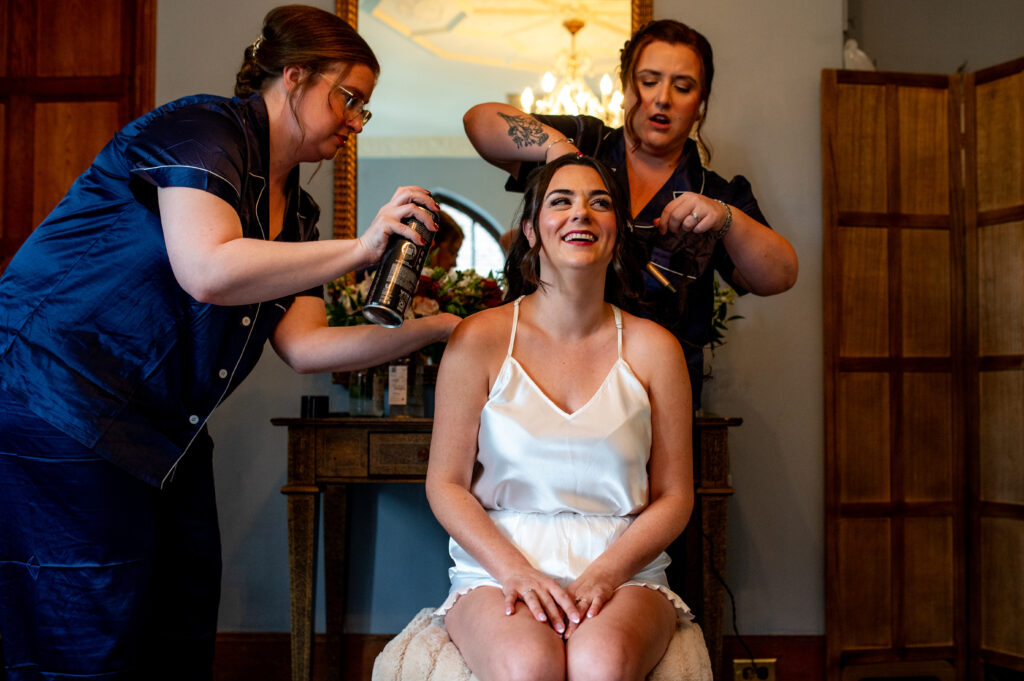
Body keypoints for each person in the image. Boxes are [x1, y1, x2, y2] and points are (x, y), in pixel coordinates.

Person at [0, 6, 458, 679]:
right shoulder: (200, 128)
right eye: (349, 97)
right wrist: (362, 248)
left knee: (181, 621)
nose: (357, 121)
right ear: (295, 77)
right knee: (86, 634)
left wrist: (445, 329)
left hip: (166, 431)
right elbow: (208, 269)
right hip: (60, 401)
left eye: (367, 106)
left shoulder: (297, 212)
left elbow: (305, 345)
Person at [425, 154, 695, 681]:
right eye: (560, 201)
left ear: (616, 231)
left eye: (600, 203)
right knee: (529, 666)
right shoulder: (477, 340)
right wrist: (516, 572)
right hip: (499, 565)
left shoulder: (655, 349)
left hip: (625, 566)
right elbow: (446, 484)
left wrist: (605, 574)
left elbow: (675, 495)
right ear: (531, 230)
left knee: (602, 663)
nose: (582, 214)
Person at [463, 19, 798, 410]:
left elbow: (781, 275)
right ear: (624, 88)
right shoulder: (587, 144)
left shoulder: (716, 193)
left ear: (700, 102)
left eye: (683, 87)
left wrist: (725, 217)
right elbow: (479, 122)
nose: (663, 99)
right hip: (541, 379)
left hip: (656, 399)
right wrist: (564, 156)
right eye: (649, 80)